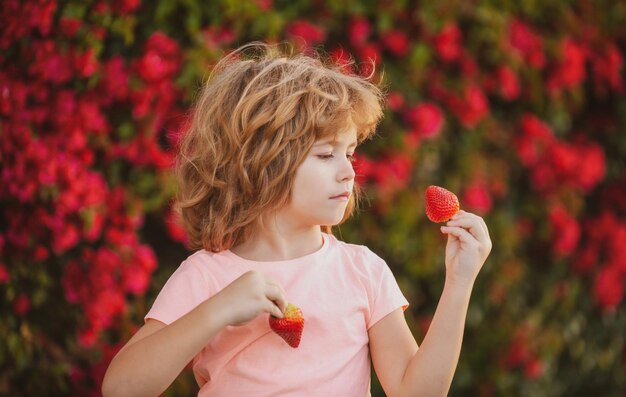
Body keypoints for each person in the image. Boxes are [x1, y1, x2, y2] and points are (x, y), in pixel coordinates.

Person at [101, 42, 492, 397]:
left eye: (350, 153)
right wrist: (217, 310)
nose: (348, 172)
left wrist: (459, 283)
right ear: (262, 163)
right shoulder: (206, 277)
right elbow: (121, 388)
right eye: (326, 155)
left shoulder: (363, 272)